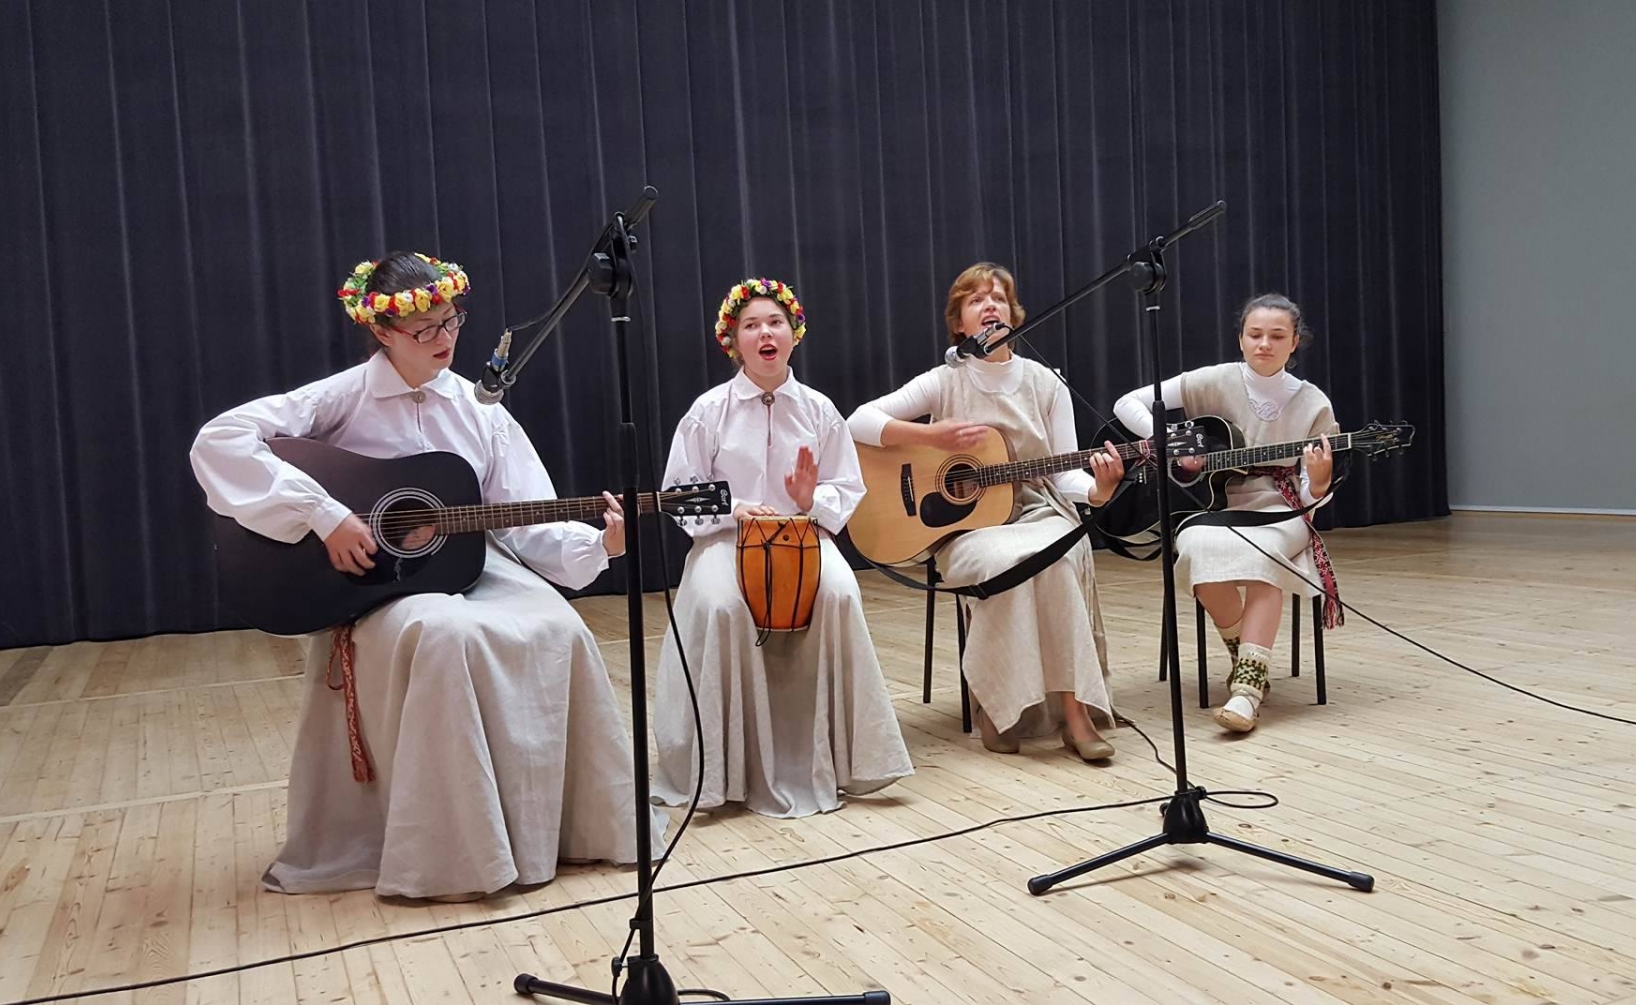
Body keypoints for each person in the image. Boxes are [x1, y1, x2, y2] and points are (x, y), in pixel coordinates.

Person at [189, 251, 663, 900]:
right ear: (381, 331)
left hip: (473, 562)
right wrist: (324, 514)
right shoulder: (342, 397)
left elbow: (525, 513)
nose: (445, 338)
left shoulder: (480, 407)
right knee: (443, 635)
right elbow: (220, 440)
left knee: (561, 628)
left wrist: (600, 543)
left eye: (452, 321)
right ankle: (453, 856)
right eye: (425, 329)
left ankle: (563, 832)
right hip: (381, 584)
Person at [654, 278, 913, 817]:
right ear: (734, 341)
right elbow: (679, 495)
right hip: (726, 539)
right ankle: (722, 771)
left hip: (805, 536)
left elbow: (848, 489)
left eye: (775, 322)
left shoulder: (820, 410)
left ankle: (838, 761)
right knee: (722, 604)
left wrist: (809, 499)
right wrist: (734, 509)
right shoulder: (708, 410)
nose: (765, 333)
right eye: (751, 325)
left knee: (840, 594)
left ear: (794, 333)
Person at [848, 262, 1126, 761]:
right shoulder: (943, 381)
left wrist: (1100, 490)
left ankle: (1075, 712)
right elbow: (857, 421)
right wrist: (930, 436)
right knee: (1005, 564)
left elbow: (1067, 475)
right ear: (959, 323)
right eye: (976, 299)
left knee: (1056, 559)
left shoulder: (1047, 384)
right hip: (966, 528)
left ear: (1014, 315)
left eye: (998, 297)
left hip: (1040, 511)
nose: (990, 305)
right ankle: (999, 708)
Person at [1112, 292, 1341, 734]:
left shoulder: (1314, 403)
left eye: (1277, 336)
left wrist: (1319, 481)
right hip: (1212, 505)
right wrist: (1175, 442)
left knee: (1263, 554)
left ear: (1295, 342)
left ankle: (1247, 692)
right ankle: (1247, 656)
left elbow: (1311, 493)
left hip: (1280, 507)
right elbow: (1127, 403)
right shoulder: (1213, 380)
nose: (1264, 344)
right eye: (1255, 334)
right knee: (1196, 546)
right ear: (1241, 339)